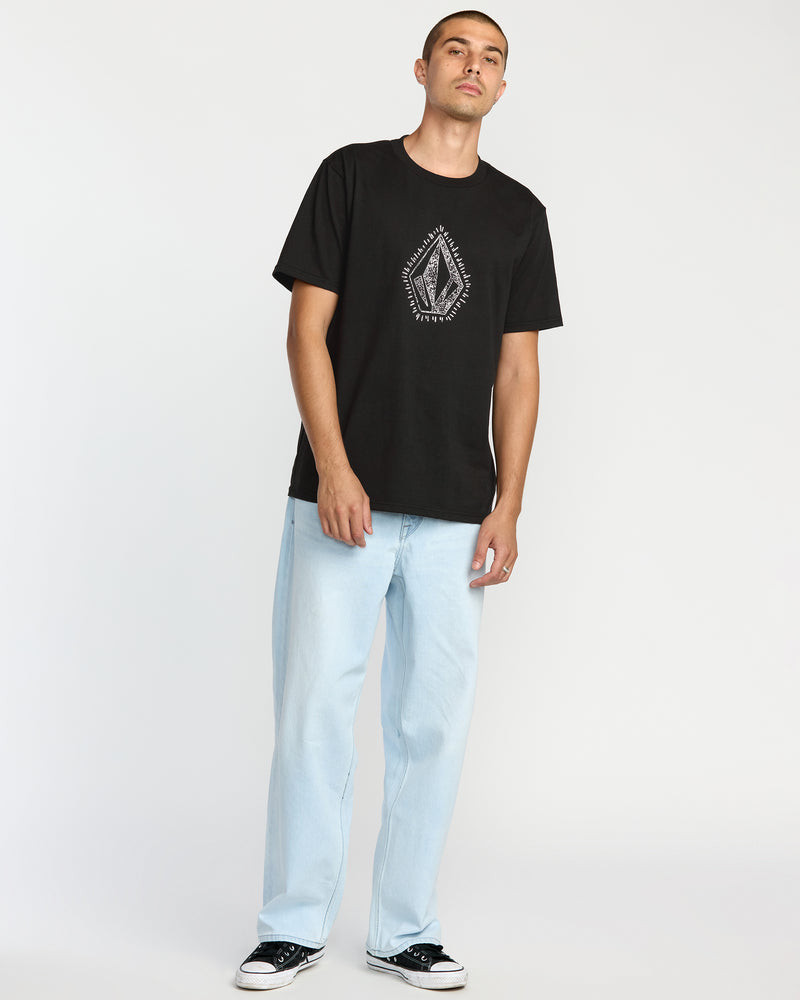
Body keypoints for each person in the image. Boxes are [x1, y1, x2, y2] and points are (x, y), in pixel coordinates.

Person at [234, 9, 563, 992]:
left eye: (491, 57)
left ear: (501, 85)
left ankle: (403, 928)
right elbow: (305, 331)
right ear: (421, 68)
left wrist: (509, 504)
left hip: (457, 511)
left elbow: (518, 370)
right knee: (313, 715)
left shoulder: (518, 214)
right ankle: (291, 925)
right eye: (456, 49)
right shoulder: (353, 178)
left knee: (432, 726)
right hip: (342, 501)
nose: (473, 66)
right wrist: (334, 468)